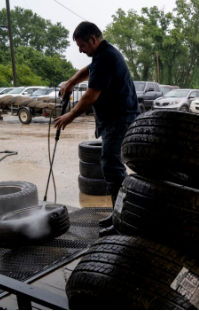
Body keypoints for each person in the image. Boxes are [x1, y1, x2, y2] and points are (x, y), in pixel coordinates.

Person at [55, 21, 139, 237]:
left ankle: (123, 218)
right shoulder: (102, 55)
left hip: (119, 119)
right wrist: (71, 82)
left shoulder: (106, 57)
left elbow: (90, 96)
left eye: (82, 45)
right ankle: (118, 213)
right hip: (115, 118)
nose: (80, 50)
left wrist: (69, 116)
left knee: (111, 166)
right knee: (111, 164)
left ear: (93, 39)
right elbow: (88, 69)